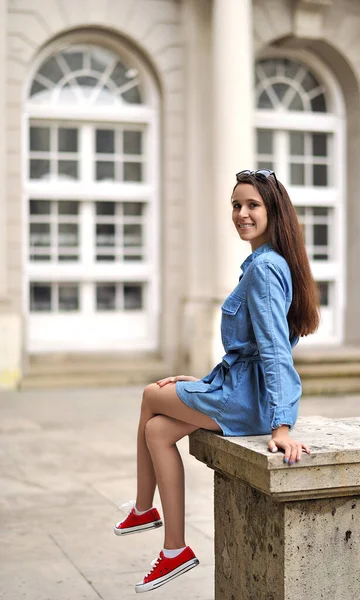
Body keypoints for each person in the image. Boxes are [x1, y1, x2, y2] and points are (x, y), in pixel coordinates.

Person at [114, 169, 320, 594]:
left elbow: (274, 350)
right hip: (239, 389)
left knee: (151, 393)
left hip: (248, 401)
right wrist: (204, 382)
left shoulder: (264, 270)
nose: (241, 213)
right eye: (236, 205)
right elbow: (248, 350)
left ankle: (142, 508)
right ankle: (175, 550)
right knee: (157, 429)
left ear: (274, 211)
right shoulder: (269, 263)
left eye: (252, 205)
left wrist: (282, 425)